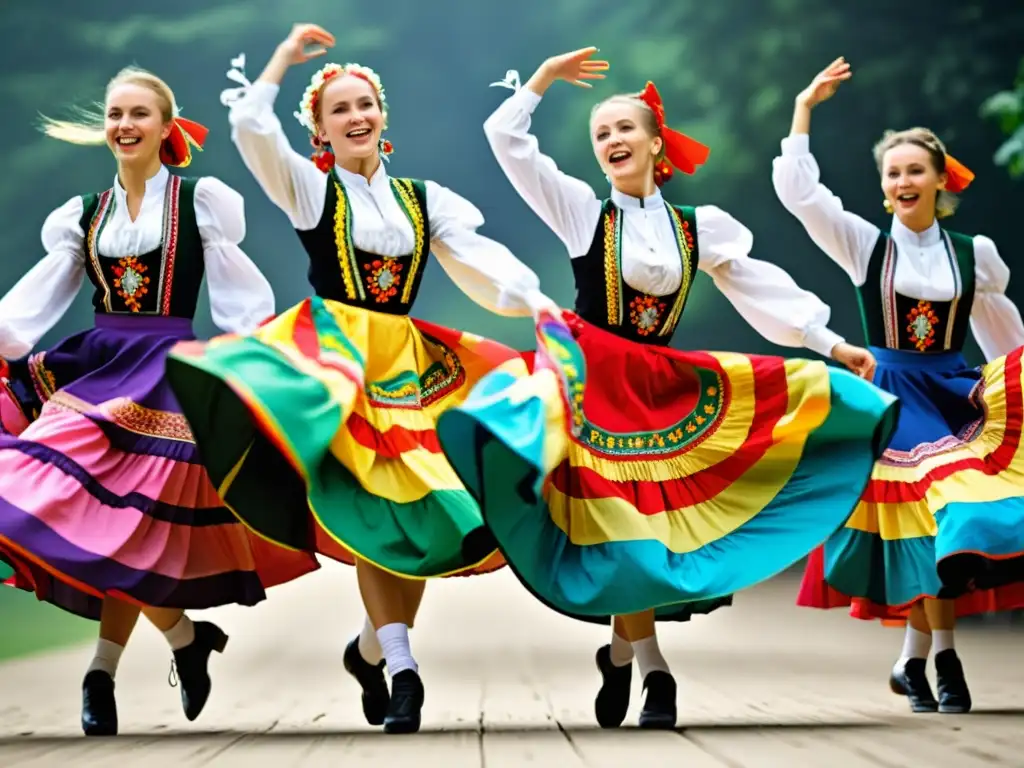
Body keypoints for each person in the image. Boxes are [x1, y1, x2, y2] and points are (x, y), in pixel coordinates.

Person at [434, 48, 899, 730]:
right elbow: (508, 143)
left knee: (650, 533)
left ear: (656, 142)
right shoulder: (580, 214)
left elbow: (755, 283)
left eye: (624, 129)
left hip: (659, 389)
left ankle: (622, 654)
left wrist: (828, 344)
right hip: (593, 388)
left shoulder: (698, 226)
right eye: (601, 135)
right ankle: (655, 673)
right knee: (627, 529)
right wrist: (540, 82)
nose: (613, 142)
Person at [162, 25, 558, 735]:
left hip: (411, 365)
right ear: (319, 128)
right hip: (341, 366)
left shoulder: (424, 198)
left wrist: (533, 301)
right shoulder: (312, 192)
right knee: (383, 506)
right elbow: (253, 129)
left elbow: (478, 257)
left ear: (383, 116)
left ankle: (372, 650)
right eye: (340, 109)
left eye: (365, 104)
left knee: (427, 514)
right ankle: (404, 672)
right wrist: (283, 60)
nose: (356, 117)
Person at [0, 66, 319, 737]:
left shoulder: (201, 203)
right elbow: (32, 306)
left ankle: (103, 673)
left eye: (139, 114)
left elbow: (241, 299)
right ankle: (179, 640)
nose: (124, 125)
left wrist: (247, 366)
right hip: (98, 365)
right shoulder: (82, 217)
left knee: (129, 526)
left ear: (166, 128)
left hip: (166, 372)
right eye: (115, 114)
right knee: (76, 503)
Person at [774, 56, 1024, 715]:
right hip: (892, 397)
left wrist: (1013, 389)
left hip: (951, 390)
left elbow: (1001, 323)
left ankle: (914, 662)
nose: (904, 180)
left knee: (955, 520)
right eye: (893, 173)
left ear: (941, 180)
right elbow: (802, 196)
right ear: (884, 189)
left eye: (916, 169)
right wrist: (805, 108)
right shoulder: (863, 244)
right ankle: (944, 661)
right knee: (932, 515)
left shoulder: (976, 253)